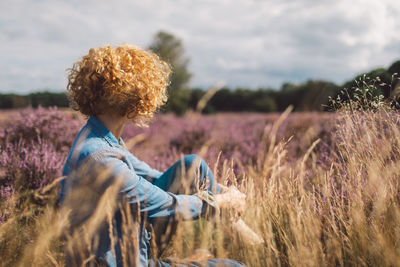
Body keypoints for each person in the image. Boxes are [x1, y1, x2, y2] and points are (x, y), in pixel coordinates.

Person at [59, 44, 246, 266]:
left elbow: (150, 178)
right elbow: (162, 204)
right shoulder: (100, 157)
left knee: (191, 166)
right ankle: (244, 246)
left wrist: (219, 192)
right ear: (135, 100)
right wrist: (218, 202)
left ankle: (240, 236)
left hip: (134, 245)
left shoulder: (100, 140)